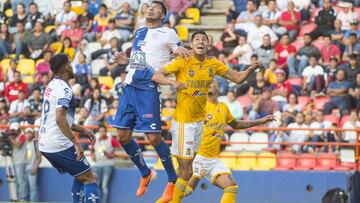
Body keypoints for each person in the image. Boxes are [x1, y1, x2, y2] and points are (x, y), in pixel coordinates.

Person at [152, 30, 260, 202]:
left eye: (204, 39)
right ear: (191, 44)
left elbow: (237, 78)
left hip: (198, 124)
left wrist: (249, 70)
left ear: (208, 44)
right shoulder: (182, 60)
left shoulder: (213, 63)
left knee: (184, 172)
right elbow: (156, 74)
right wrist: (172, 82)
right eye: (197, 39)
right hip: (183, 122)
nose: (200, 41)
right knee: (187, 171)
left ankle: (165, 200)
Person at [111, 1, 190, 202]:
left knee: (154, 138)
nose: (151, 9)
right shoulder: (139, 32)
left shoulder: (168, 33)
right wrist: (126, 61)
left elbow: (180, 53)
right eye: (149, 7)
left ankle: (172, 180)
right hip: (129, 87)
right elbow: (139, 59)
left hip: (149, 89)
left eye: (156, 7)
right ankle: (146, 173)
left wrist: (180, 54)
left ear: (163, 15)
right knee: (122, 136)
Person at [182, 81, 275, 203]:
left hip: (213, 159)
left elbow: (236, 124)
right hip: (198, 155)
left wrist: (259, 121)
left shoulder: (223, 107)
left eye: (212, 82)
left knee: (231, 187)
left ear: (218, 88)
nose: (209, 83)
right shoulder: (200, 105)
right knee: (185, 191)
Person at [38, 53, 100, 203]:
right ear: (67, 66)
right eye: (70, 63)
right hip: (58, 143)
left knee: (80, 176)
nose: (72, 67)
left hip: (45, 143)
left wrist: (83, 129)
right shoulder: (64, 89)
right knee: (90, 179)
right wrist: (76, 143)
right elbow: (60, 119)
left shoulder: (51, 85)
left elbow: (61, 119)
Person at [91, 125, 119, 203]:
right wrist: (92, 155)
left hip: (108, 165)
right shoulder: (95, 139)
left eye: (103, 131)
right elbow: (92, 149)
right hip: (97, 165)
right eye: (100, 131)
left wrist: (113, 154)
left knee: (104, 186)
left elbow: (120, 148)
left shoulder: (111, 139)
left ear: (106, 132)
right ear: (98, 132)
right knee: (97, 185)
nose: (102, 132)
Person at [8, 122, 27, 201]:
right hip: (14, 162)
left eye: (14, 130)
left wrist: (11, 139)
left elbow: (18, 145)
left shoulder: (22, 136)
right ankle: (17, 197)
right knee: (16, 181)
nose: (13, 132)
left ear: (19, 129)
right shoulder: (14, 137)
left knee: (21, 181)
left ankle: (22, 198)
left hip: (21, 162)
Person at [24, 128, 41, 202]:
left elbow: (39, 157)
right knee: (24, 187)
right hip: (23, 168)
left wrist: (35, 167)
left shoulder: (35, 143)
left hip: (31, 169)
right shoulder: (23, 143)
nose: (28, 134)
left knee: (33, 188)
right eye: (27, 133)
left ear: (32, 134)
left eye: (30, 133)